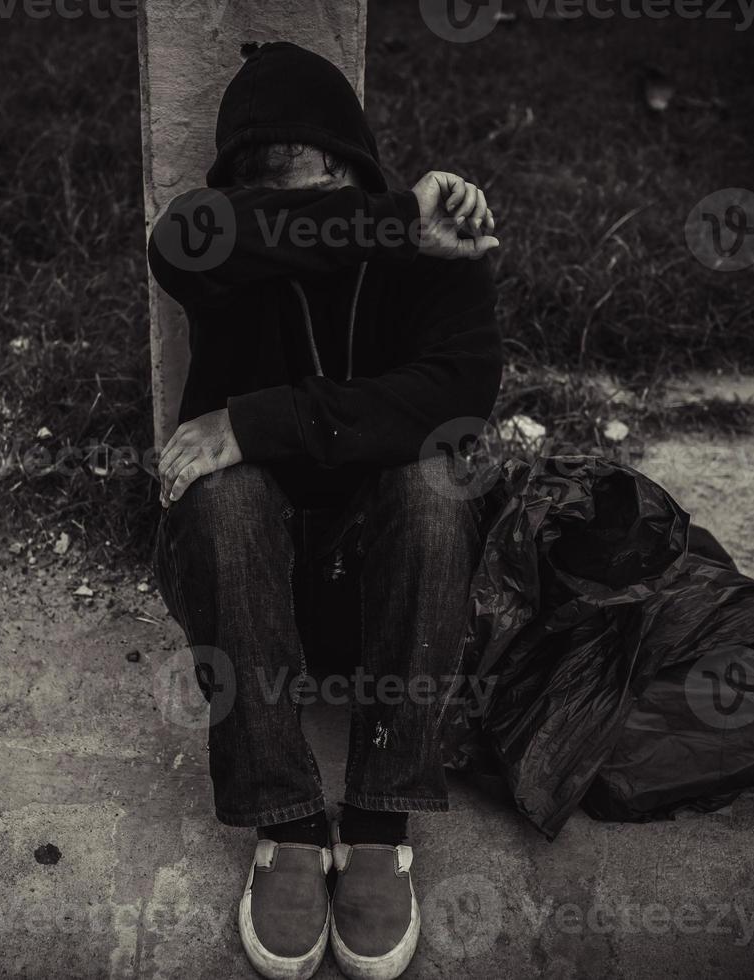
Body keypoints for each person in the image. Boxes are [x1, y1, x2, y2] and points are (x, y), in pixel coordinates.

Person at [146, 40, 502, 980]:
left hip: (380, 591)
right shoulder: (229, 248)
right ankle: (289, 827)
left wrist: (260, 419)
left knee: (435, 481)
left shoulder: (437, 247)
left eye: (325, 176)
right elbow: (179, 238)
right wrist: (381, 220)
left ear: (358, 166)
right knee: (221, 496)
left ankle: (380, 824)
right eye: (267, 183)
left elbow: (458, 395)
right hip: (249, 588)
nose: (300, 200)